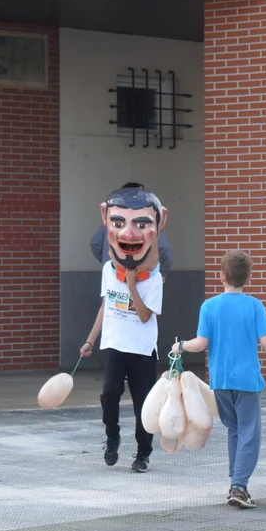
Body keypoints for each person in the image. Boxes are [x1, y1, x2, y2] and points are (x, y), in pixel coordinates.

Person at [171, 250, 266, 509]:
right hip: (247, 381)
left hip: (220, 381)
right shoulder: (254, 305)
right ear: (248, 278)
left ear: (221, 277)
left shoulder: (209, 306)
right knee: (249, 431)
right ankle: (239, 486)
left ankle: (236, 482)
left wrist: (180, 346)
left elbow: (200, 344)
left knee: (235, 430)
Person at [80, 185, 167, 473]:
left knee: (144, 404)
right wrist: (90, 340)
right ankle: (112, 438)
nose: (128, 233)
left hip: (142, 349)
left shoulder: (154, 279)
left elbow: (144, 315)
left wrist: (131, 285)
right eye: (118, 223)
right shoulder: (108, 270)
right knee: (110, 394)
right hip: (114, 344)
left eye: (141, 224)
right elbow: (106, 305)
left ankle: (143, 453)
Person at [91, 182, 173, 280]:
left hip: (112, 278)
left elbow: (95, 243)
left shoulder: (109, 224)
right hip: (142, 280)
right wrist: (161, 273)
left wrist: (109, 261)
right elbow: (164, 248)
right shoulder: (151, 224)